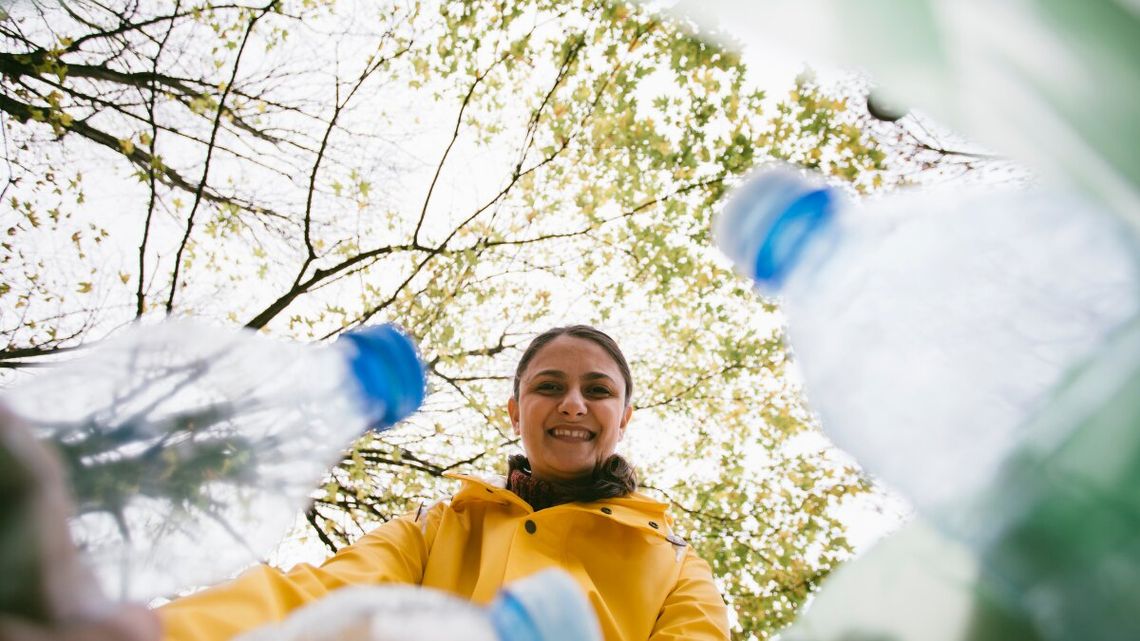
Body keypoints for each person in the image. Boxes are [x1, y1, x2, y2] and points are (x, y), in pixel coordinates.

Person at [5, 326, 731, 641]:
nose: (573, 403)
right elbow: (313, 597)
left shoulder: (674, 566)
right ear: (515, 413)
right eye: (549, 385)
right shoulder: (441, 528)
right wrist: (162, 633)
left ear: (623, 417)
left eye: (597, 390)